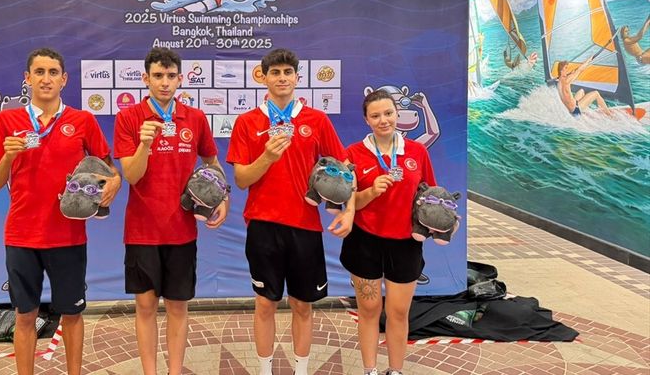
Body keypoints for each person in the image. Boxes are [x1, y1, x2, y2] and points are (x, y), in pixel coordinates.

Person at [0, 47, 121, 375]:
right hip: (22, 236)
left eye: (53, 72)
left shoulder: (82, 120)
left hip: (68, 236)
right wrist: (8, 157)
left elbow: (109, 170)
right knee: (25, 316)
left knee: (72, 314)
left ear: (64, 79)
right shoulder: (8, 120)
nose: (46, 79)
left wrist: (114, 183)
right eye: (39, 72)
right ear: (27, 78)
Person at [226, 48, 355, 375]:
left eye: (287, 72)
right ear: (263, 78)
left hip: (305, 226)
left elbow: (345, 169)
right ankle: (265, 371)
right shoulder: (247, 121)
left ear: (297, 78)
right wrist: (267, 157)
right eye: (275, 72)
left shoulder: (317, 120)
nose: (282, 78)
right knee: (264, 303)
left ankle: (301, 371)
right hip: (263, 225)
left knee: (302, 304)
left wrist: (349, 210)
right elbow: (241, 179)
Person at [113, 48, 227, 375]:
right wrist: (145, 144)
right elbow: (131, 175)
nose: (165, 82)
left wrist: (223, 197)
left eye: (171, 76)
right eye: (158, 76)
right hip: (142, 230)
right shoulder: (129, 118)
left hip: (182, 230)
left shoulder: (195, 118)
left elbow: (212, 162)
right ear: (145, 78)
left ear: (180, 79)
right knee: (145, 306)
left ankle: (174, 371)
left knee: (178, 307)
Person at [341, 89, 437, 375]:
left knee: (398, 312)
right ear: (366, 120)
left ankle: (395, 370)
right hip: (365, 241)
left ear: (397, 114)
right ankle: (370, 370)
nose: (383, 120)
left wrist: (441, 221)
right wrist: (371, 191)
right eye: (375, 116)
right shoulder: (352, 154)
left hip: (405, 244)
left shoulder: (417, 152)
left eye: (388, 113)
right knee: (369, 310)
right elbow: (349, 203)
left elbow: (430, 197)